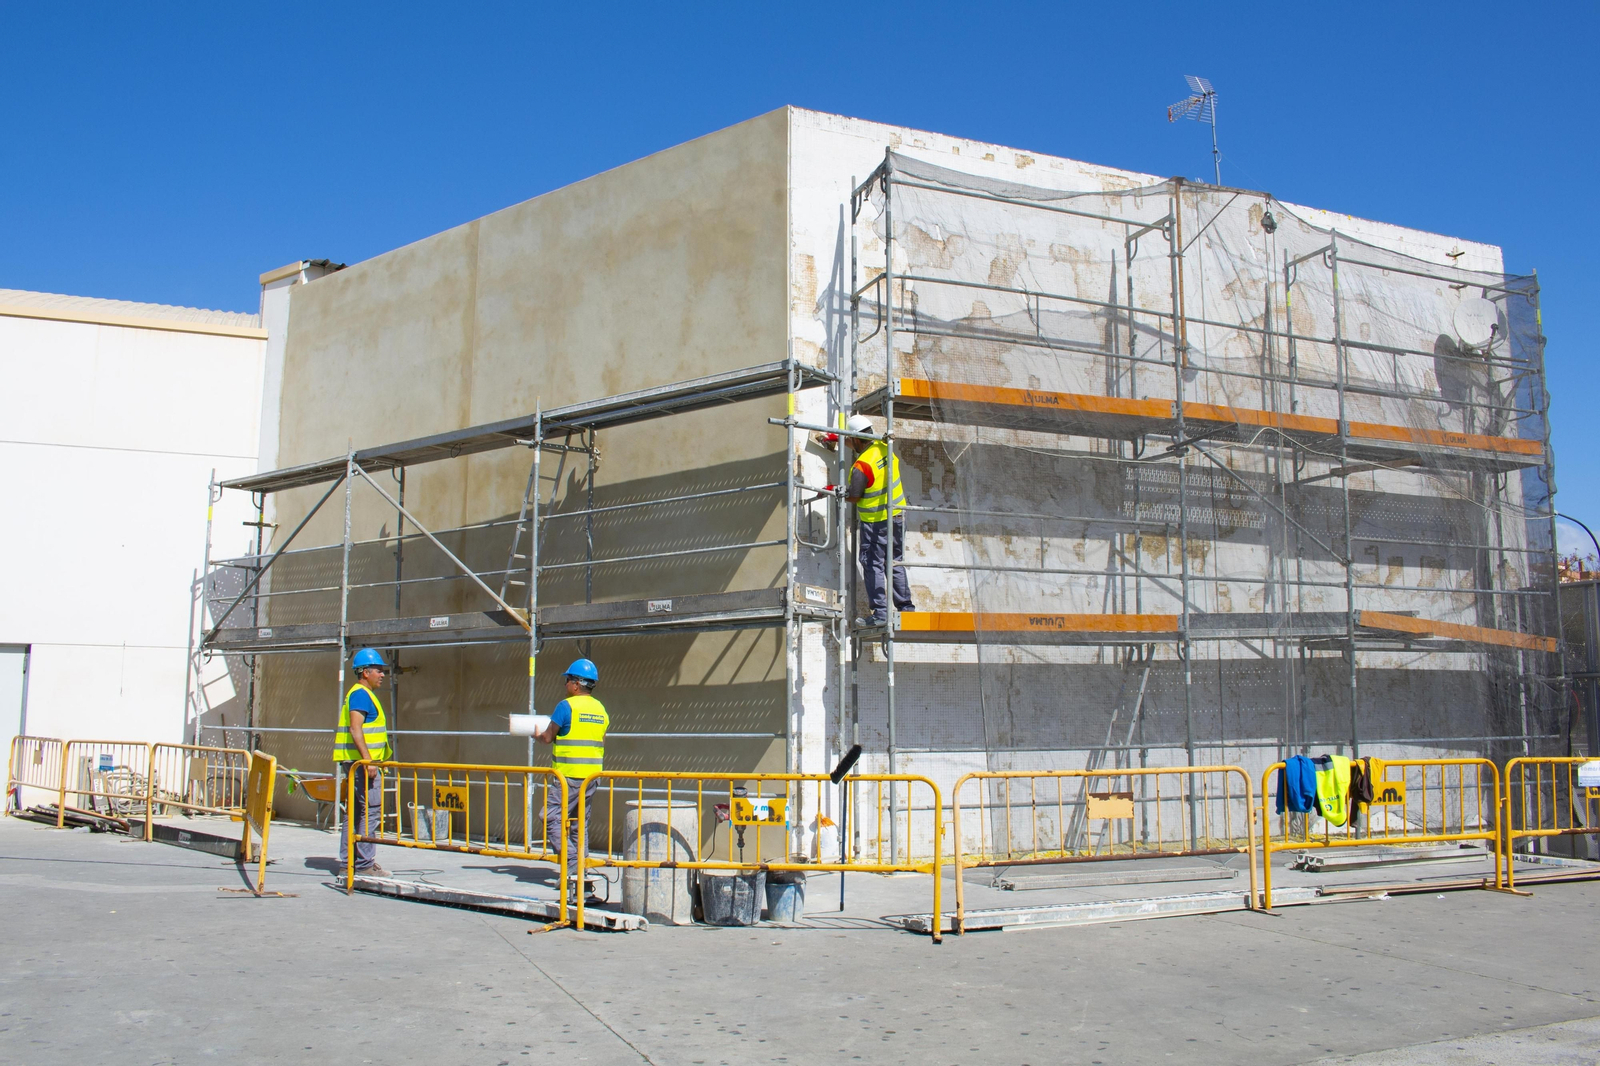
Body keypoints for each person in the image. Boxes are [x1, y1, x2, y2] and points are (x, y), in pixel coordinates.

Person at [536, 657, 609, 901]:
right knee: (579, 824)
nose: (566, 683)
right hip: (592, 777)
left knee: (550, 817)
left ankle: (571, 864)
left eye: (568, 680)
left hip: (568, 777)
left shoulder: (566, 706)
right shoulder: (600, 710)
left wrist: (537, 733)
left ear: (577, 684)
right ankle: (581, 870)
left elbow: (548, 737)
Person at [830, 414, 914, 625]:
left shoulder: (860, 467)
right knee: (894, 562)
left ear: (856, 439)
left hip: (876, 523)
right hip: (897, 516)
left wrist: (834, 491)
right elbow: (860, 443)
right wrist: (834, 437)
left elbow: (854, 496)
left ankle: (880, 614)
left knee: (872, 564)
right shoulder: (884, 445)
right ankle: (906, 609)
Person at [335, 647, 393, 877]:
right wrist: (369, 761)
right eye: (378, 670)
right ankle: (363, 865)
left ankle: (349, 862)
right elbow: (355, 729)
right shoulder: (360, 694)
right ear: (365, 672)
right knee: (369, 811)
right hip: (362, 765)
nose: (382, 675)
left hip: (358, 763)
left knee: (356, 812)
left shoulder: (361, 694)